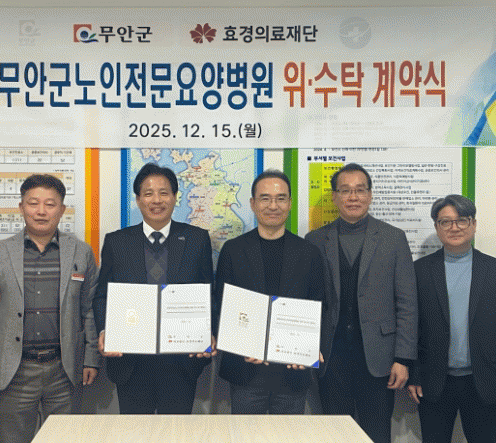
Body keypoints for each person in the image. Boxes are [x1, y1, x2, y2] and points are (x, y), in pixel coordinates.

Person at [0, 174, 100, 443]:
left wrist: (90, 358)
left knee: (64, 440)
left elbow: (88, 309)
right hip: (15, 370)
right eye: (33, 203)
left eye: (50, 204)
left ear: (62, 210)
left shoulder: (81, 252)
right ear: (21, 207)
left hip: (64, 370)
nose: (41, 211)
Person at [305, 162, 417, 443]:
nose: (353, 197)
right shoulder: (315, 240)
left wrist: (403, 359)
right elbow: (308, 300)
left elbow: (407, 303)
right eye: (345, 191)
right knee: (334, 436)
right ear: (335, 197)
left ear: (370, 195)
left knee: (377, 434)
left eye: (360, 190)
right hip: (331, 358)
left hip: (379, 359)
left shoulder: (393, 238)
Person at [93, 163, 214, 414]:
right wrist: (105, 329)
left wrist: (208, 331)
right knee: (135, 431)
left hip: (181, 361)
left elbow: (208, 292)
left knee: (177, 431)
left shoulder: (197, 239)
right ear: (138, 199)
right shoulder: (116, 242)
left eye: (164, 192)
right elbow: (103, 295)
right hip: (131, 361)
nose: (156, 200)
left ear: (175, 197)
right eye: (148, 193)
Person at [215, 169, 325, 414]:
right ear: (253, 204)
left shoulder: (309, 252)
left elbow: (320, 305)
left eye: (280, 198)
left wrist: (308, 347)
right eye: (265, 198)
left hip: (292, 371)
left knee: (288, 434)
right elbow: (220, 305)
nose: (273, 206)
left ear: (290, 203)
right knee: (245, 433)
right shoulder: (233, 250)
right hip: (246, 372)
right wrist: (242, 344)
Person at [408, 195, 496, 443]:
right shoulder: (419, 271)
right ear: (437, 227)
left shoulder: (492, 270)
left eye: (462, 220)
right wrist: (414, 375)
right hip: (434, 381)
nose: (454, 227)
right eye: (445, 222)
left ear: (474, 224)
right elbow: (411, 327)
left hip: (485, 381)